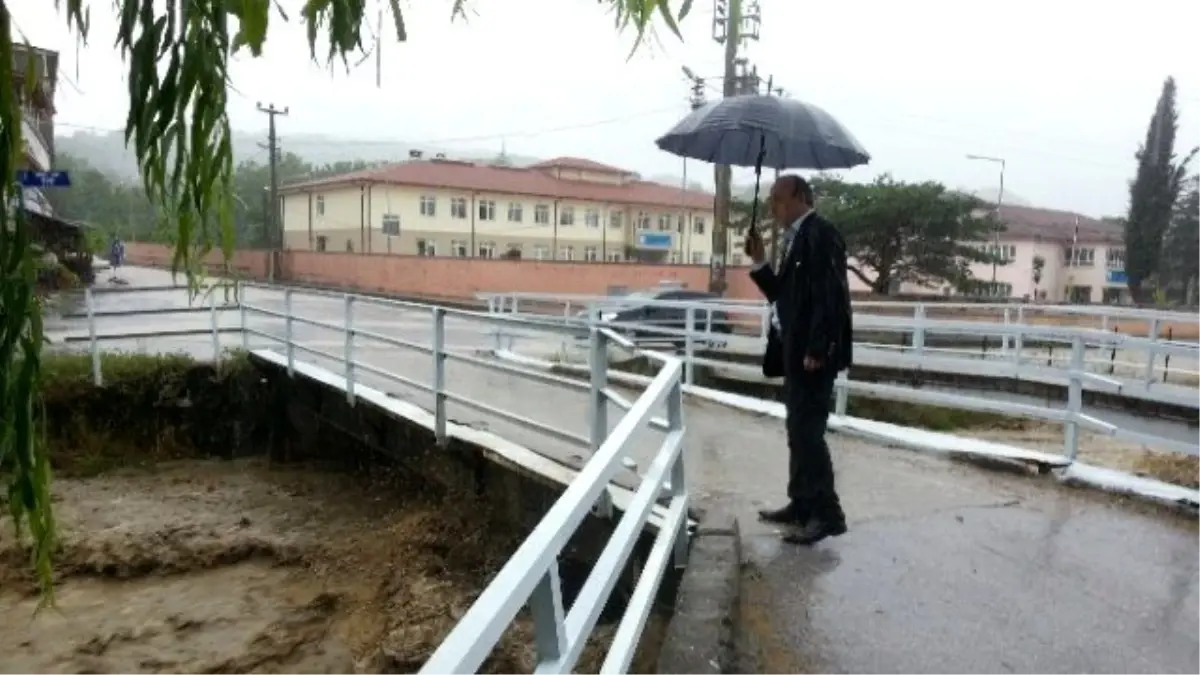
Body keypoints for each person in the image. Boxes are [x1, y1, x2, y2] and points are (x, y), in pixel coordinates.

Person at [744, 174, 853, 546]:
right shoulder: (795, 240)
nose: (774, 207)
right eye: (772, 199)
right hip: (794, 350)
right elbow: (782, 297)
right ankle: (801, 503)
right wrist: (760, 262)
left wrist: (818, 349)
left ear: (801, 197)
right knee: (797, 431)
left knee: (809, 434)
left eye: (779, 199)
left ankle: (828, 514)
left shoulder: (822, 234)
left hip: (813, 355)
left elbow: (830, 297)